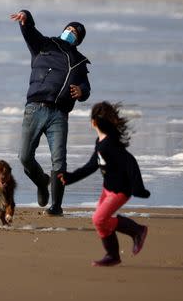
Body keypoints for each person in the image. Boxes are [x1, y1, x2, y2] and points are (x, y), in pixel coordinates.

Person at [10, 10, 90, 215]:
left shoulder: (80, 62)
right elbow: (29, 30)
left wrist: (81, 91)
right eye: (68, 29)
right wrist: (25, 16)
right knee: (25, 157)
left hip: (59, 115)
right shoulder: (44, 45)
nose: (70, 32)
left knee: (59, 160)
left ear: (78, 40)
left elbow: (86, 88)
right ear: (63, 30)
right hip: (35, 108)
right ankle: (41, 181)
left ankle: (56, 207)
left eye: (75, 32)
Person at [59, 101, 150, 267]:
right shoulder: (101, 142)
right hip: (108, 189)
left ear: (93, 122)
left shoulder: (110, 145)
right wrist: (71, 178)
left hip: (120, 191)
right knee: (101, 222)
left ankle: (137, 230)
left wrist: (138, 188)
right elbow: (92, 165)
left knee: (99, 219)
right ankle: (113, 255)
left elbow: (130, 162)